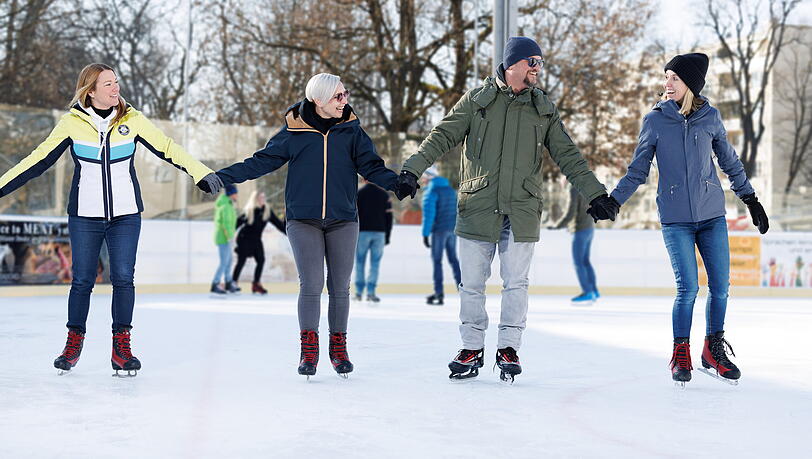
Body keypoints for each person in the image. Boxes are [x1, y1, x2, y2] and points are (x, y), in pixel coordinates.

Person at [394, 37, 618, 382]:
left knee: (516, 284)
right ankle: (471, 347)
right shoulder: (477, 101)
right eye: (532, 62)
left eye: (540, 63)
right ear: (512, 64)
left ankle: (508, 348)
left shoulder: (543, 108)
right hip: (478, 205)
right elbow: (441, 136)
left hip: (522, 208)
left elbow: (568, 156)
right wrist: (411, 170)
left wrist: (596, 194)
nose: (538, 69)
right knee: (471, 284)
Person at [0, 63, 222, 376]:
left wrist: (200, 171)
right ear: (90, 91)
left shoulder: (132, 119)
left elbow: (167, 148)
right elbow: (37, 161)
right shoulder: (71, 124)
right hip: (85, 217)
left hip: (126, 216)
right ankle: (73, 341)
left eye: (116, 82)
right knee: (82, 280)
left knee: (123, 278)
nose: (115, 89)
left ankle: (122, 346)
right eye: (107, 84)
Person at [216, 73, 400, 378]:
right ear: (318, 101)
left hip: (343, 218)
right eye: (338, 96)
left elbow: (371, 166)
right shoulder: (293, 131)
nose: (345, 101)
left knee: (340, 287)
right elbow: (259, 162)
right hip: (303, 219)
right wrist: (223, 177)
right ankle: (309, 348)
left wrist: (396, 182)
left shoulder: (351, 130)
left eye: (345, 94)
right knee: (312, 284)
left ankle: (338, 347)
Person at [607, 53, 769, 386]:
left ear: (690, 85)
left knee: (721, 288)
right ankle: (681, 352)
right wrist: (614, 201)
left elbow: (730, 163)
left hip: (712, 217)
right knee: (688, 288)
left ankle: (713, 350)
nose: (667, 84)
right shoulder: (655, 121)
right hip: (676, 219)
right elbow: (638, 170)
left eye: (674, 79)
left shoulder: (711, 118)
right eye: (666, 77)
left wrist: (750, 199)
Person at [420, 166, 461, 305]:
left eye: (424, 177)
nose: (422, 180)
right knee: (453, 259)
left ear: (429, 177)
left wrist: (425, 234)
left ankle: (439, 293)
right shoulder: (450, 190)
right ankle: (463, 290)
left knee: (437, 261)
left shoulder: (431, 191)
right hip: (452, 230)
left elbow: (428, 215)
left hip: (439, 231)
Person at [552, 184, 599, 305]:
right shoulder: (590, 186)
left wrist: (558, 226)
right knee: (585, 261)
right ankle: (594, 290)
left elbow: (571, 212)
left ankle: (588, 292)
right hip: (590, 229)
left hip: (581, 230)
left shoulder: (576, 188)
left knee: (579, 262)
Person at [232, 190, 286, 295]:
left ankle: (256, 284)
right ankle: (233, 282)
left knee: (261, 260)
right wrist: (229, 235)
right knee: (241, 261)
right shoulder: (250, 210)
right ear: (255, 199)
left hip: (256, 239)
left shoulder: (267, 211)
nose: (262, 199)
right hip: (244, 238)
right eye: (260, 197)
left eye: (263, 197)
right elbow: (237, 223)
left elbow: (278, 224)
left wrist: (289, 233)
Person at [354, 180, 393, 303]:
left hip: (362, 233)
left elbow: (354, 215)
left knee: (360, 262)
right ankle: (371, 292)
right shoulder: (384, 195)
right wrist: (387, 235)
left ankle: (359, 292)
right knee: (375, 263)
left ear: (365, 180)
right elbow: (389, 218)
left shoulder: (359, 194)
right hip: (379, 233)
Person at [211, 184, 240, 295]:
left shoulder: (228, 203)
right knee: (224, 262)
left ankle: (228, 282)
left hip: (226, 237)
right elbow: (226, 223)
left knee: (229, 261)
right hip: (224, 238)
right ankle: (215, 283)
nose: (237, 195)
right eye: (236, 193)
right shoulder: (226, 206)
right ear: (231, 194)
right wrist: (230, 237)